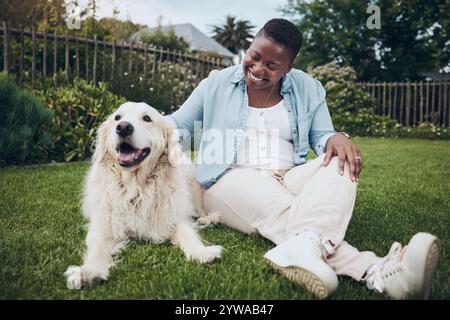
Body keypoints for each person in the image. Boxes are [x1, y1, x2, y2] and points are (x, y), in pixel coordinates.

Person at [165, 18, 440, 299]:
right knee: (286, 211)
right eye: (254, 57)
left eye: (272, 66)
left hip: (288, 176)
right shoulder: (216, 84)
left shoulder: (307, 88)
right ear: (249, 47)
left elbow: (323, 136)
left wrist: (336, 138)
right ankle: (379, 271)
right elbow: (176, 124)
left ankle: (304, 246)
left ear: (289, 67)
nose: (258, 69)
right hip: (229, 178)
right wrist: (136, 127)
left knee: (341, 160)